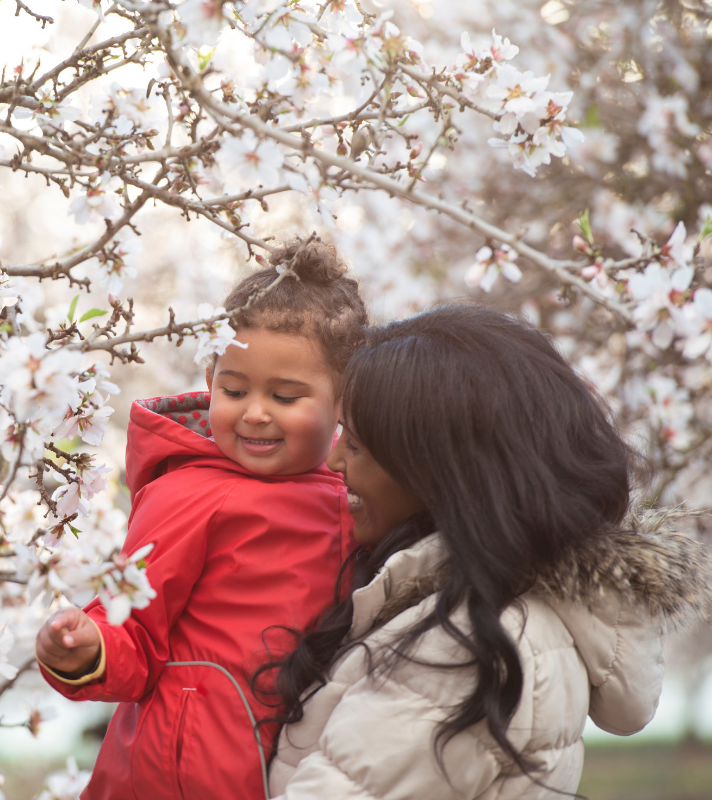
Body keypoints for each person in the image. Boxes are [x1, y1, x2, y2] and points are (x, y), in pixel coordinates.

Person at [263, 304, 711, 800]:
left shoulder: (468, 650)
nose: (333, 458)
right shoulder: (470, 612)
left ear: (441, 473)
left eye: (359, 445)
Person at [35, 237, 367, 800]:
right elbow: (134, 629)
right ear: (211, 377)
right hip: (189, 770)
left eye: (286, 397)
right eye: (234, 390)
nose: (255, 412)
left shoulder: (360, 487)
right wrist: (90, 647)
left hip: (308, 758)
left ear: (345, 399)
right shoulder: (189, 495)